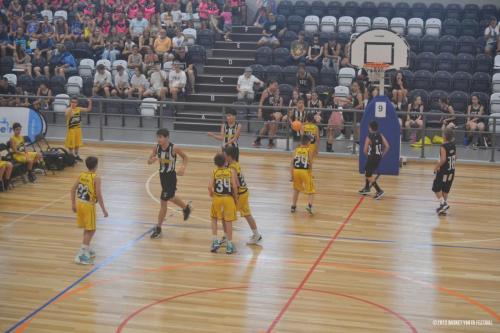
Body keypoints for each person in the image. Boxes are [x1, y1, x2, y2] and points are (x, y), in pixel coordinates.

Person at [148, 128, 192, 239]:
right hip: (162, 176)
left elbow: (185, 157)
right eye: (157, 137)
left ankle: (158, 228)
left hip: (171, 177)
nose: (158, 139)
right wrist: (151, 160)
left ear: (167, 137)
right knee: (171, 197)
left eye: (161, 137)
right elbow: (149, 161)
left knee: (163, 201)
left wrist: (183, 168)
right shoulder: (156, 147)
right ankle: (186, 208)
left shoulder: (174, 148)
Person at [70, 156, 108, 265]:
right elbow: (99, 195)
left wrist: (73, 204)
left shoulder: (82, 175)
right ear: (96, 166)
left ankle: (86, 248)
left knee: (87, 228)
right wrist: (104, 210)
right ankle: (82, 255)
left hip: (79, 203)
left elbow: (72, 189)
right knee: (91, 229)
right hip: (88, 206)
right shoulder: (96, 178)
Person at [224, 145, 262, 245]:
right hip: (244, 192)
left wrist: (235, 197)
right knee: (247, 214)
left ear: (230, 156)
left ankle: (227, 236)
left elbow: (235, 184)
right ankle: (256, 234)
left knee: (227, 214)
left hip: (240, 194)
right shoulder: (235, 163)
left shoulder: (232, 167)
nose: (224, 157)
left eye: (225, 155)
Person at [208, 152, 238, 254]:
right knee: (228, 221)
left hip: (217, 198)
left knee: (214, 218)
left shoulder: (214, 172)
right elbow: (234, 186)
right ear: (225, 162)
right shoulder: (230, 171)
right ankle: (229, 245)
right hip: (228, 198)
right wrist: (236, 198)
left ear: (215, 163)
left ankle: (215, 241)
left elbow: (209, 186)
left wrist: (211, 194)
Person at [358, 121, 390, 200]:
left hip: (372, 157)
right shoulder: (380, 135)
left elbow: (364, 150)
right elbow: (387, 146)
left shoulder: (369, 136)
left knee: (368, 175)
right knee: (368, 171)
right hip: (378, 157)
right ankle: (366, 188)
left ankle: (379, 191)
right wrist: (381, 155)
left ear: (369, 127)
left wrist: (369, 156)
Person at [432, 128, 456, 215]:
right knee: (445, 190)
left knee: (436, 188)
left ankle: (443, 204)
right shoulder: (453, 145)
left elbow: (443, 160)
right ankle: (443, 209)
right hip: (451, 171)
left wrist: (436, 167)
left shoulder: (443, 146)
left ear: (444, 136)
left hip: (443, 171)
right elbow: (456, 157)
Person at [291, 135, 315, 214]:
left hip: (296, 171)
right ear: (308, 142)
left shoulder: (296, 150)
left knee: (296, 189)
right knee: (311, 190)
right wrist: (311, 173)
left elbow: (291, 163)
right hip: (305, 171)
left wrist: (291, 175)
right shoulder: (309, 150)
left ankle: (293, 206)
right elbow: (310, 163)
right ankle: (309, 206)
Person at [253, 80, 281, 148]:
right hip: (266, 111)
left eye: (276, 85)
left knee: (266, 127)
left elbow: (274, 102)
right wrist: (260, 111)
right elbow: (261, 102)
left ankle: (257, 140)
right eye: (275, 85)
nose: (276, 87)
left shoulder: (274, 92)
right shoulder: (266, 92)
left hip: (271, 111)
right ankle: (270, 142)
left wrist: (276, 95)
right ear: (270, 84)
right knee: (272, 124)